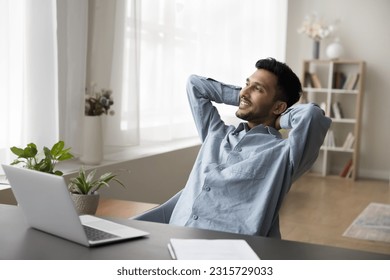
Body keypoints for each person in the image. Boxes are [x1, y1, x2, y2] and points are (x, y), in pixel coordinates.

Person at [169, 57, 331, 238]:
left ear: (278, 106)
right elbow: (195, 84)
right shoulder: (215, 133)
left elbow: (313, 116)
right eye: (247, 84)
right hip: (174, 233)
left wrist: (280, 119)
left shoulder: (285, 154)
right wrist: (243, 98)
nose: (245, 92)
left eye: (258, 89)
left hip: (228, 251)